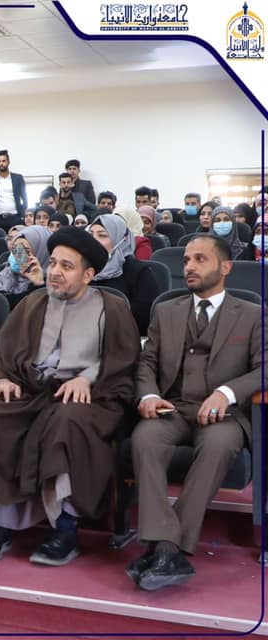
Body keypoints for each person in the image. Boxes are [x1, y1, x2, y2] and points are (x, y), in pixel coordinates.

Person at [0, 227, 140, 566]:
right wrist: (3, 378)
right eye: (53, 263)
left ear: (88, 275)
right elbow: (4, 351)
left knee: (66, 421)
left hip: (88, 398)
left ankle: (65, 528)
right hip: (31, 390)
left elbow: (123, 361)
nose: (55, 272)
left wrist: (87, 379)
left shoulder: (112, 307)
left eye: (66, 266)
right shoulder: (33, 302)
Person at [128, 235, 263, 591]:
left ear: (225, 267)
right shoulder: (166, 310)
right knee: (145, 437)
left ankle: (166, 547)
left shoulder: (252, 314)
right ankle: (168, 547)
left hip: (225, 415)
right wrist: (149, 394)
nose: (188, 266)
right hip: (172, 407)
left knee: (218, 445)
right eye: (186, 260)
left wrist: (226, 393)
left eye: (200, 259)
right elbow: (147, 362)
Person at [88, 215, 161, 335]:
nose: (93, 241)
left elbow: (145, 318)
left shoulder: (139, 272)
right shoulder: (82, 269)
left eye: (102, 235)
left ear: (122, 239)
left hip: (123, 337)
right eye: (91, 235)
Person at [0, 226, 50, 309]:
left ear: (41, 252)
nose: (18, 255)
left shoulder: (49, 283)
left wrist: (38, 284)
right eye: (16, 248)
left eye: (25, 250)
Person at [0, 149, 28, 230]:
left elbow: (25, 198)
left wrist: (22, 214)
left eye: (3, 161)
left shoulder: (18, 178)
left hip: (15, 218)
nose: (1, 163)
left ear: (8, 162)